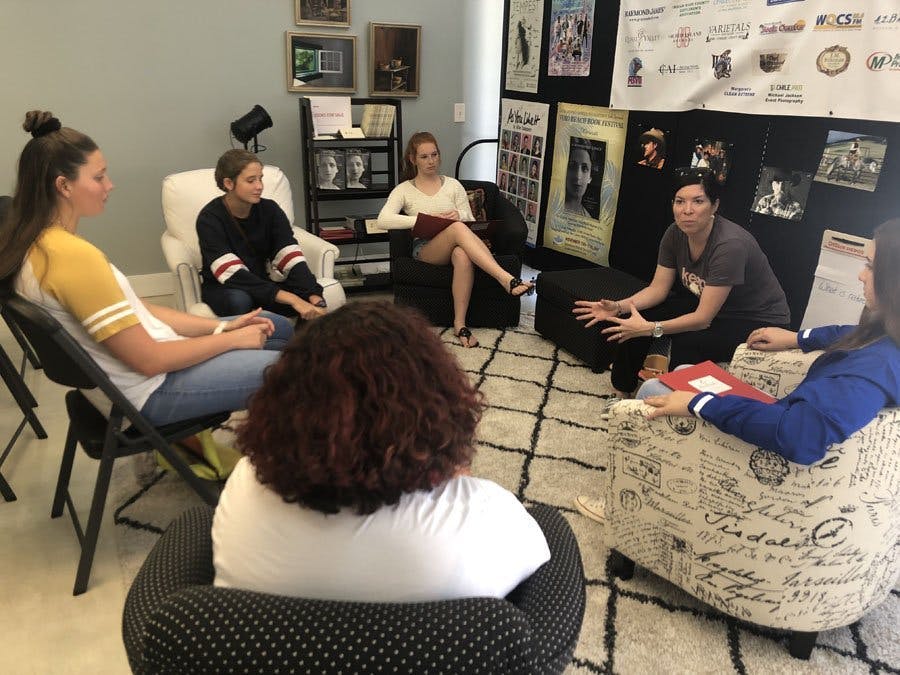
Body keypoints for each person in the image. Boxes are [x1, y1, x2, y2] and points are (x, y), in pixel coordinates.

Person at [212, 301, 551, 601]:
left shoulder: (244, 484)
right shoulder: (480, 516)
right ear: (435, 407)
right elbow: (539, 557)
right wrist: (451, 471)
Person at [574, 218, 900, 523]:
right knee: (686, 371)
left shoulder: (870, 372)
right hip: (783, 413)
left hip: (777, 449)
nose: (861, 275)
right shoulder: (886, 338)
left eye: (870, 266)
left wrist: (699, 404)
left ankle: (625, 504)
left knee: (653, 391)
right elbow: (848, 333)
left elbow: (800, 436)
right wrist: (799, 338)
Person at [0, 111, 292, 427]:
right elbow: (150, 360)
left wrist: (223, 327)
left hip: (149, 368)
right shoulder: (70, 257)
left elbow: (137, 309)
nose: (109, 185)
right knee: (308, 373)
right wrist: (232, 340)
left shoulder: (36, 242)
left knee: (277, 326)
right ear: (64, 186)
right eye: (98, 177)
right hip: (153, 390)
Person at [573, 167, 790, 397]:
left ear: (714, 206)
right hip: (715, 306)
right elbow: (657, 289)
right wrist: (618, 307)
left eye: (698, 201)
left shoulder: (729, 245)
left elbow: (702, 319)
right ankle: (621, 391)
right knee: (636, 317)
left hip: (755, 318)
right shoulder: (675, 233)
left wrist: (651, 329)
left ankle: (674, 402)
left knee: (688, 341)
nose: (687, 210)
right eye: (680, 202)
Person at [377, 132, 534, 349]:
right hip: (426, 249)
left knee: (461, 253)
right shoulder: (404, 189)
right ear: (413, 159)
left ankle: (460, 324)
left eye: (434, 155)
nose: (431, 161)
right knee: (457, 228)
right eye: (424, 157)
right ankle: (505, 278)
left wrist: (458, 215)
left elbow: (470, 220)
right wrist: (422, 220)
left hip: (458, 245)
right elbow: (383, 220)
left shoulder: (453, 185)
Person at [196, 149, 326, 320]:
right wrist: (292, 299)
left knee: (309, 297)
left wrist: (314, 296)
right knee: (240, 299)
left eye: (260, 178)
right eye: (251, 180)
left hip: (262, 282)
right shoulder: (209, 218)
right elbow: (231, 273)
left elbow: (290, 257)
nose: (259, 186)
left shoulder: (270, 210)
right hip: (225, 287)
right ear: (228, 183)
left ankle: (299, 336)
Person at [564, 138, 600, 218]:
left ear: (590, 177)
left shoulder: (588, 217)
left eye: (585, 168)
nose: (578, 176)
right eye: (572, 166)